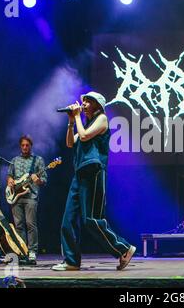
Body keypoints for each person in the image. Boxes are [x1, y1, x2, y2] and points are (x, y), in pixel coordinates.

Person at [52, 91, 135, 271]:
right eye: (84, 101)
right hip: (80, 174)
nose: (84, 104)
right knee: (69, 219)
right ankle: (71, 261)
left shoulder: (102, 119)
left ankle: (124, 249)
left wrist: (78, 118)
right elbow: (70, 143)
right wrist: (71, 122)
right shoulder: (85, 122)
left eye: (88, 101)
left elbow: (83, 136)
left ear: (97, 105)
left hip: (94, 173)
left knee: (91, 219)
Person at [7, 135, 47, 262]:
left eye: (27, 145)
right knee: (18, 225)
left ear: (31, 146)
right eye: (23, 145)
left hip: (31, 196)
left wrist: (38, 180)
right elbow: (9, 175)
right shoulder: (14, 160)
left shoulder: (38, 160)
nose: (25, 147)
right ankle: (22, 250)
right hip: (15, 196)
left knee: (31, 224)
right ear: (20, 146)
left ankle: (32, 251)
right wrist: (10, 180)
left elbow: (44, 180)